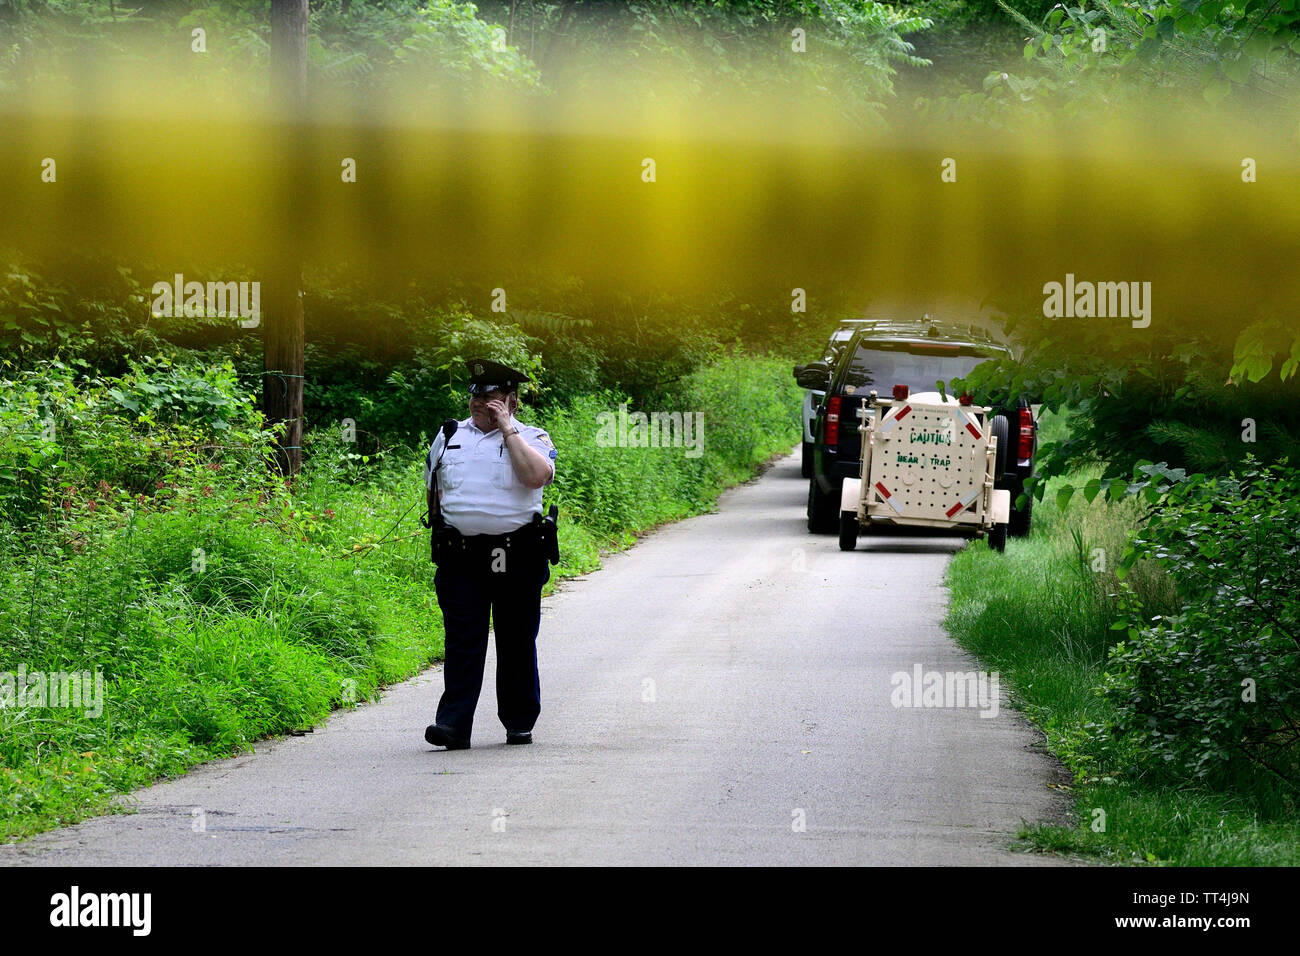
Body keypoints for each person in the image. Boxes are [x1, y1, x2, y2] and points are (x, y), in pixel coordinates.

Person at [422, 359, 558, 750]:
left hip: (517, 553)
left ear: (512, 400)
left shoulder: (534, 436)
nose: (482, 403)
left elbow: (535, 477)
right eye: (477, 396)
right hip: (462, 555)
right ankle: (452, 725)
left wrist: (507, 429)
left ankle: (518, 723)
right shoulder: (449, 435)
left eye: (493, 397)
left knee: (515, 639)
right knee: (462, 640)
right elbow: (434, 491)